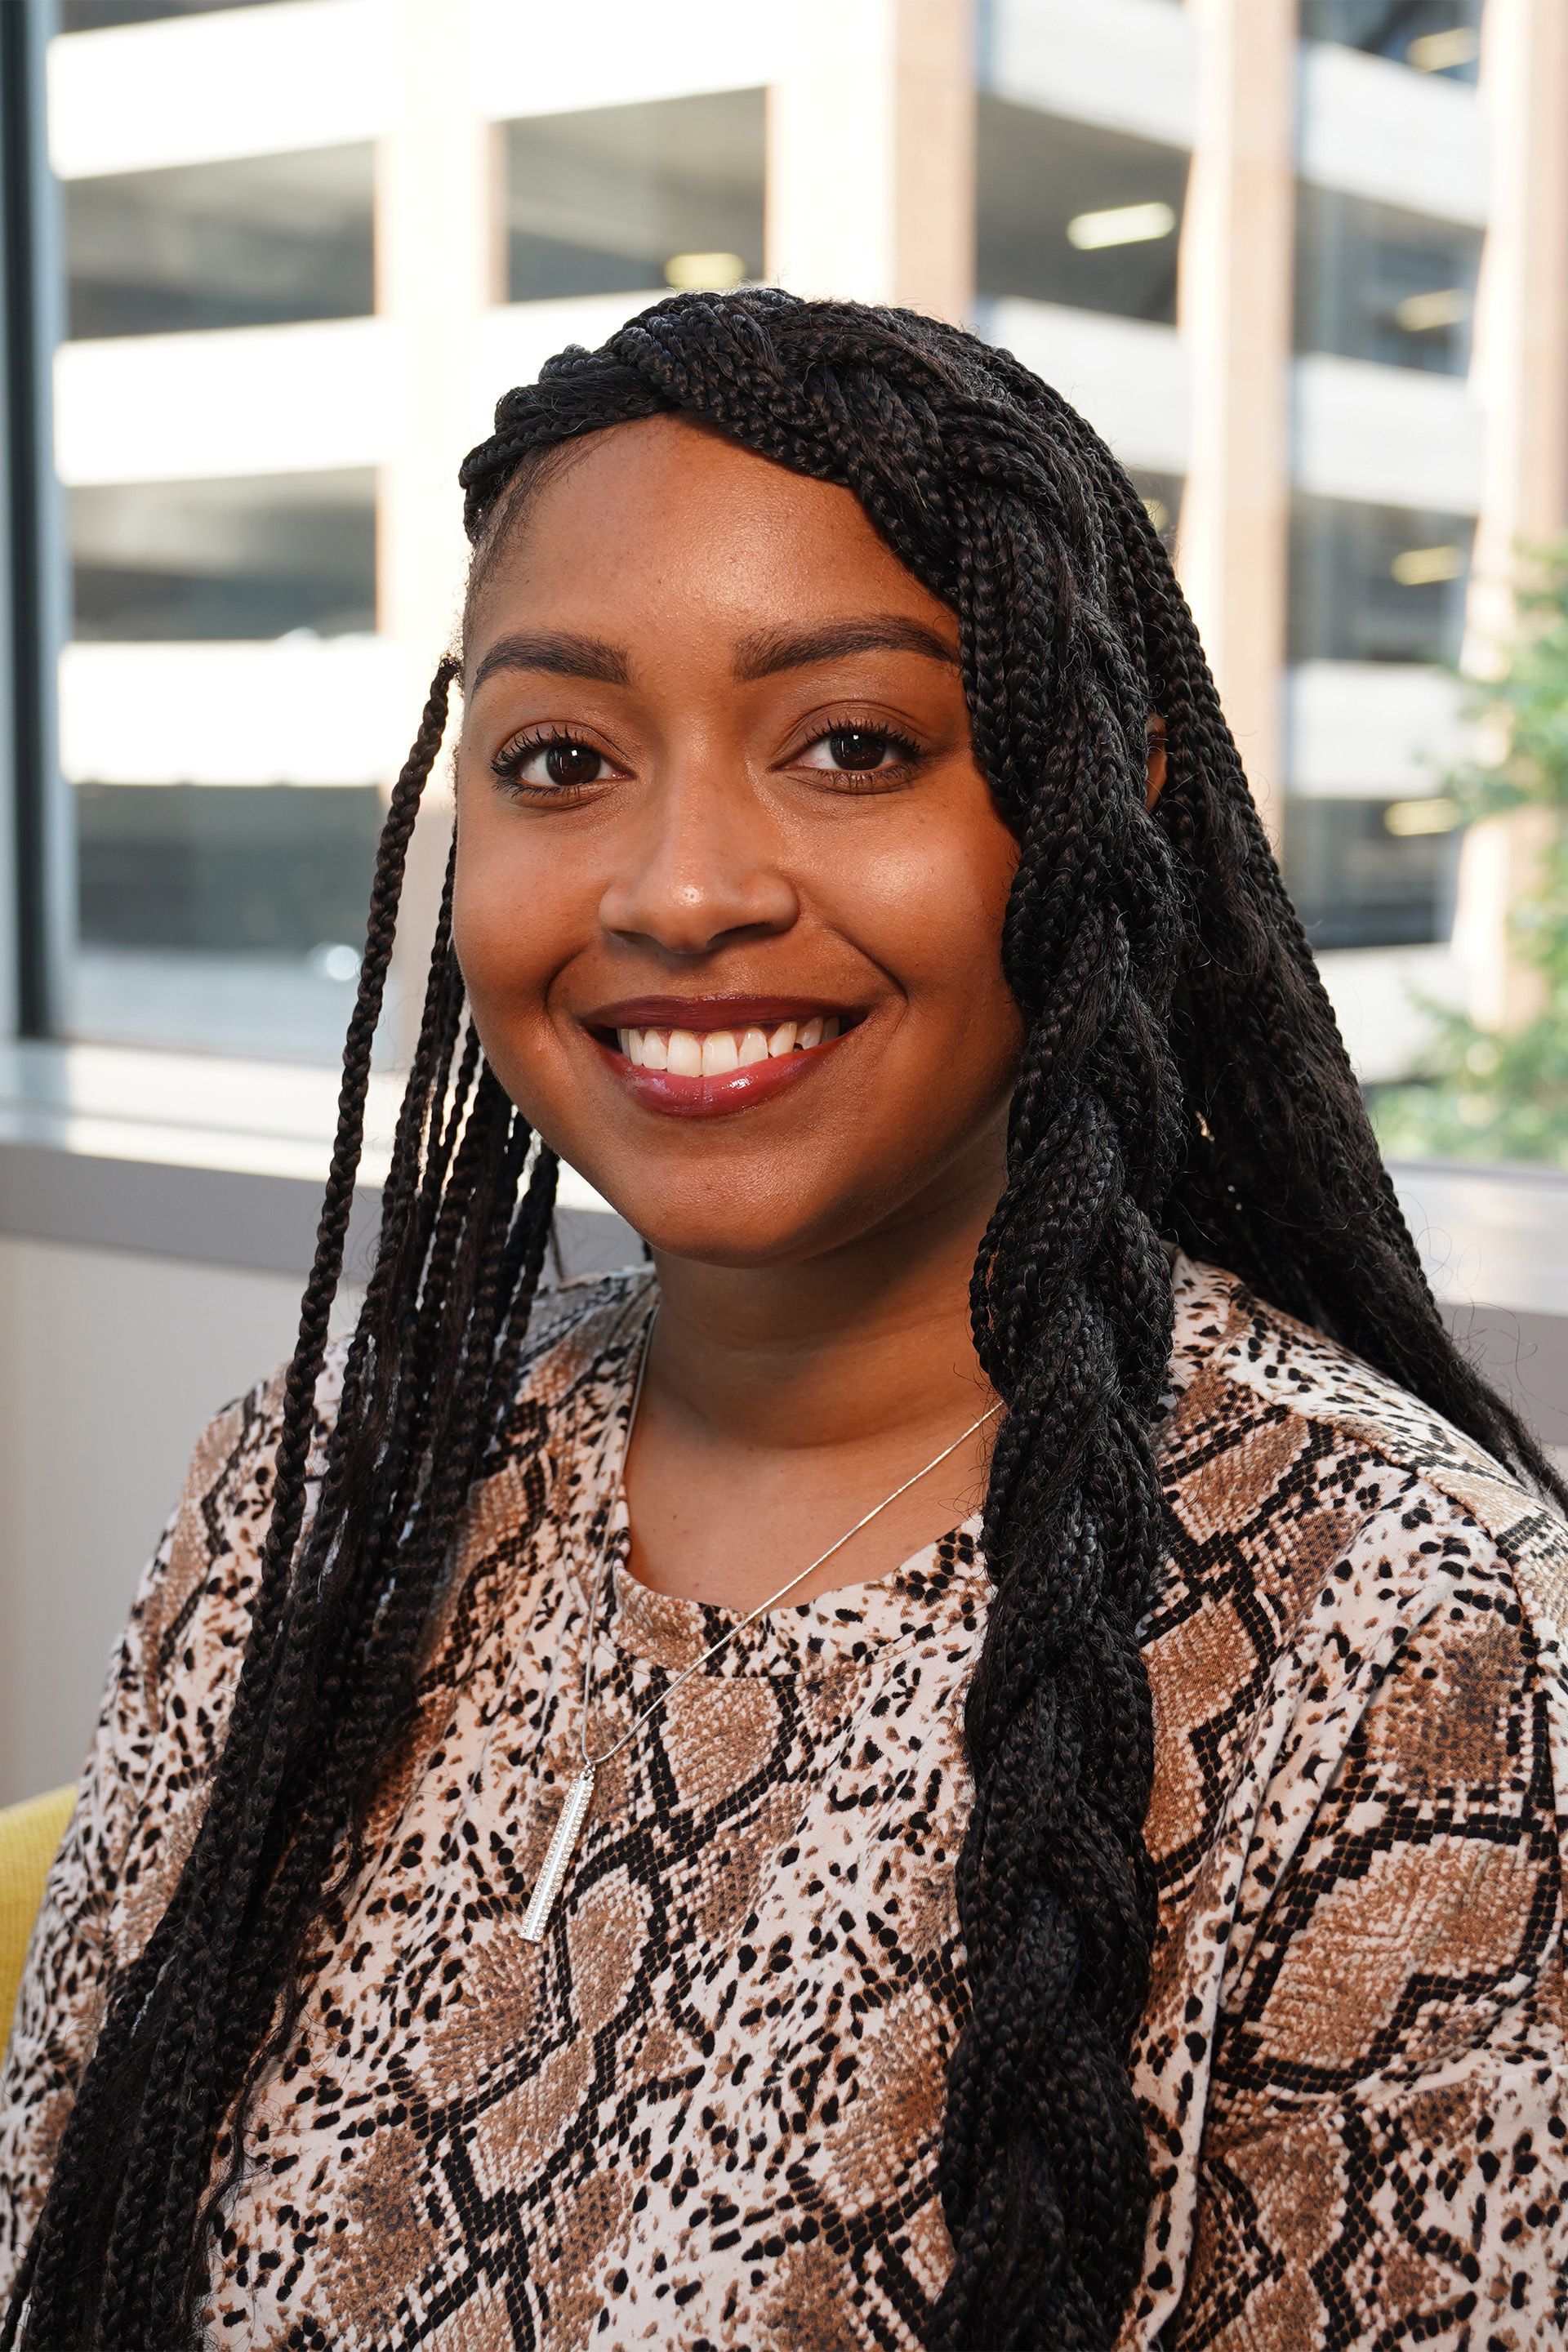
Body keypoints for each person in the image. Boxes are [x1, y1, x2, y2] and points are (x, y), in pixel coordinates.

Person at [2, 292, 1565, 2352]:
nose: (678, 887)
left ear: (1099, 804)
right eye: (561, 758)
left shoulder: (1420, 1658)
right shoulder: (311, 1497)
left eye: (854, 745)